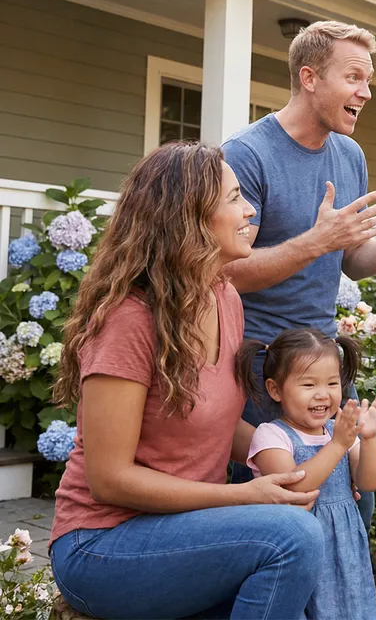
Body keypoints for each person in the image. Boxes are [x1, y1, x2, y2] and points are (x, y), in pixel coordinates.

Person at [49, 142, 324, 620]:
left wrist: (311, 453)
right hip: (102, 544)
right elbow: (109, 479)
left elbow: (219, 428)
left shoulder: (224, 298)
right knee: (291, 538)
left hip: (184, 531)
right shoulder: (129, 322)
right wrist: (242, 495)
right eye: (234, 198)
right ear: (190, 218)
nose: (250, 210)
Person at [222, 20, 376, 520]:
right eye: (355, 78)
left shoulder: (349, 154)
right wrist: (315, 240)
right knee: (278, 507)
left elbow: (349, 262)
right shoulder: (247, 155)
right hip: (262, 367)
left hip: (326, 362)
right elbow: (229, 269)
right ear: (310, 76)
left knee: (354, 502)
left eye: (369, 81)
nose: (365, 93)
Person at [244, 329, 376, 620]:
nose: (323, 394)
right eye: (308, 384)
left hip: (345, 546)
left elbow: (368, 481)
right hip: (295, 550)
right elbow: (294, 487)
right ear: (275, 390)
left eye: (332, 383)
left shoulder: (339, 432)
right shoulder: (271, 435)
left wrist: (370, 438)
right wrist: (339, 444)